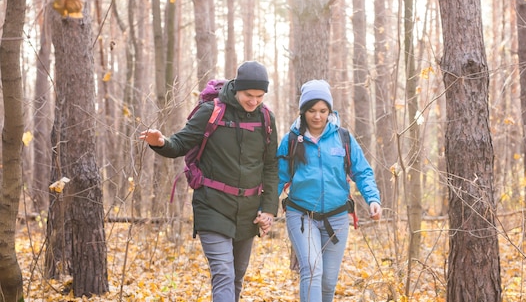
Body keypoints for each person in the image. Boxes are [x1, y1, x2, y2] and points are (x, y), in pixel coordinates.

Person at [140, 61, 278, 302]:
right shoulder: (211, 111)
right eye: (249, 95)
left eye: (259, 96)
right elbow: (180, 144)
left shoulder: (266, 118)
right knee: (223, 273)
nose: (254, 101)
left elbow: (270, 166)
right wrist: (160, 142)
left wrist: (268, 209)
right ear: (237, 88)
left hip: (247, 211)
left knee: (236, 276)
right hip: (212, 204)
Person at [277, 79, 382, 302]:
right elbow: (277, 177)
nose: (317, 116)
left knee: (328, 282)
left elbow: (362, 172)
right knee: (312, 270)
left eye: (323, 110)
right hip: (302, 215)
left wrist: (373, 199)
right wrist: (265, 209)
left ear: (330, 110)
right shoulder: (292, 140)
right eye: (312, 110)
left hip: (337, 218)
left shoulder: (343, 138)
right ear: (303, 111)